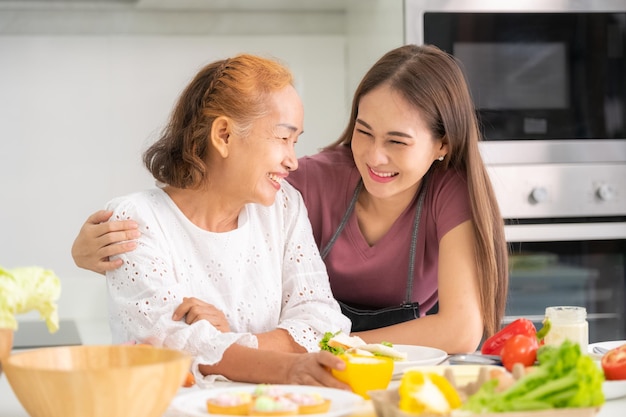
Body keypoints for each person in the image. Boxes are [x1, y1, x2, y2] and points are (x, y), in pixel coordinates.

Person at [72, 44, 509, 354]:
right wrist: (87, 248)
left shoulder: (446, 192)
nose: (374, 156)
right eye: (363, 130)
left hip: (376, 374)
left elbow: (457, 330)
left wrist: (260, 345)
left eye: (398, 141)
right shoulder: (303, 186)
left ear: (442, 146)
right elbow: (208, 200)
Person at [88, 53, 352, 388]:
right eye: (283, 138)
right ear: (224, 135)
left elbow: (323, 323)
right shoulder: (137, 220)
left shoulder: (284, 207)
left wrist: (235, 338)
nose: (293, 161)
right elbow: (173, 345)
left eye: (295, 142)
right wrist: (284, 365)